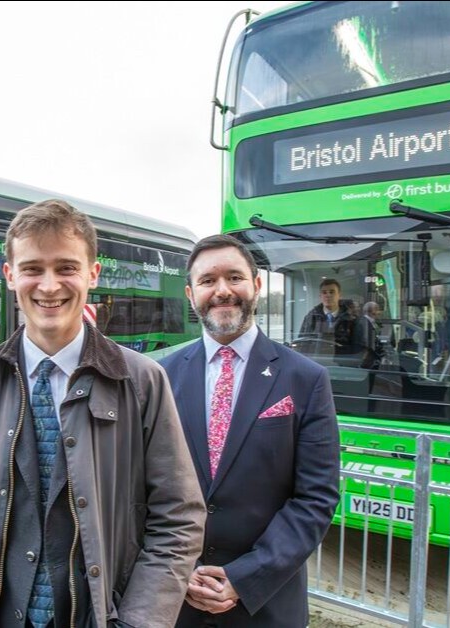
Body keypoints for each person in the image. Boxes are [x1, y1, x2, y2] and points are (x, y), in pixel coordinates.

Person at [0, 199, 206, 628]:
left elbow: (179, 516)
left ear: (93, 273)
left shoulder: (142, 381)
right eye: (33, 268)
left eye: (67, 268)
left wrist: (140, 621)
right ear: (10, 275)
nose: (50, 285)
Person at [160, 234, 340, 628]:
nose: (222, 291)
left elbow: (315, 498)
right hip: (174, 601)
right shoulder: (160, 377)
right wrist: (178, 569)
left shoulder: (306, 379)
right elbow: (141, 490)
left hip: (265, 605)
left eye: (234, 277)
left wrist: (245, 578)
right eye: (208, 281)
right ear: (191, 294)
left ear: (256, 286)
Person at [298, 278, 357, 358]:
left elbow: (357, 349)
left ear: (339, 295)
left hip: (343, 365)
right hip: (317, 363)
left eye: (332, 292)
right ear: (320, 296)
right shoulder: (311, 318)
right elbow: (303, 345)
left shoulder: (352, 319)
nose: (328, 295)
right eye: (324, 293)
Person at [355, 301, 385, 369]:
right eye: (377, 309)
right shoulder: (364, 323)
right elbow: (367, 342)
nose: (379, 312)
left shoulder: (370, 322)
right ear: (373, 311)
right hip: (366, 358)